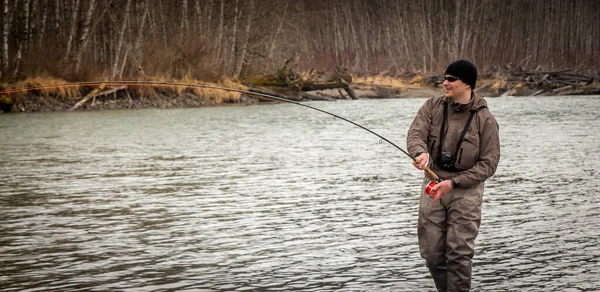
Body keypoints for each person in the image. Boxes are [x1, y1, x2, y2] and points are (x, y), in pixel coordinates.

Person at [406, 60, 500, 291]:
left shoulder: (485, 119)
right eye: (444, 78)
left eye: (451, 79)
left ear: (467, 83)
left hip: (466, 190)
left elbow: (489, 164)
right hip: (433, 184)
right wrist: (421, 154)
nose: (444, 83)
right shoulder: (432, 106)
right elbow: (415, 134)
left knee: (458, 254)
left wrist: (454, 183)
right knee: (432, 253)